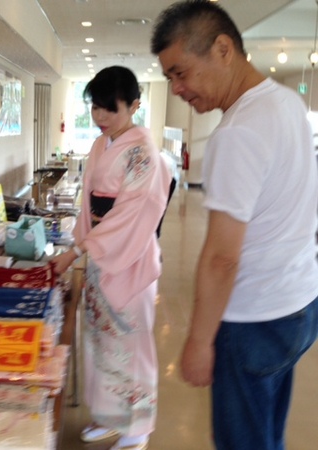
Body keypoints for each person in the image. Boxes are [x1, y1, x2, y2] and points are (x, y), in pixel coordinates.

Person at [151, 2, 318, 449]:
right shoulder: (288, 102)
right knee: (266, 433)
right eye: (169, 78)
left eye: (181, 73)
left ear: (223, 49)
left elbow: (222, 258)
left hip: (254, 317)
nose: (178, 88)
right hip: (299, 303)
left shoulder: (238, 131)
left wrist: (199, 341)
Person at [51, 66, 171, 450]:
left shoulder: (144, 153)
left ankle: (138, 426)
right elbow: (90, 205)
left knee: (132, 346)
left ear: (135, 106)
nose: (100, 117)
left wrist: (77, 250)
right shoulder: (100, 145)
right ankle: (107, 416)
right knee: (102, 343)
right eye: (95, 108)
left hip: (130, 258)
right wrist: (84, 246)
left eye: (110, 109)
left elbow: (131, 214)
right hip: (102, 255)